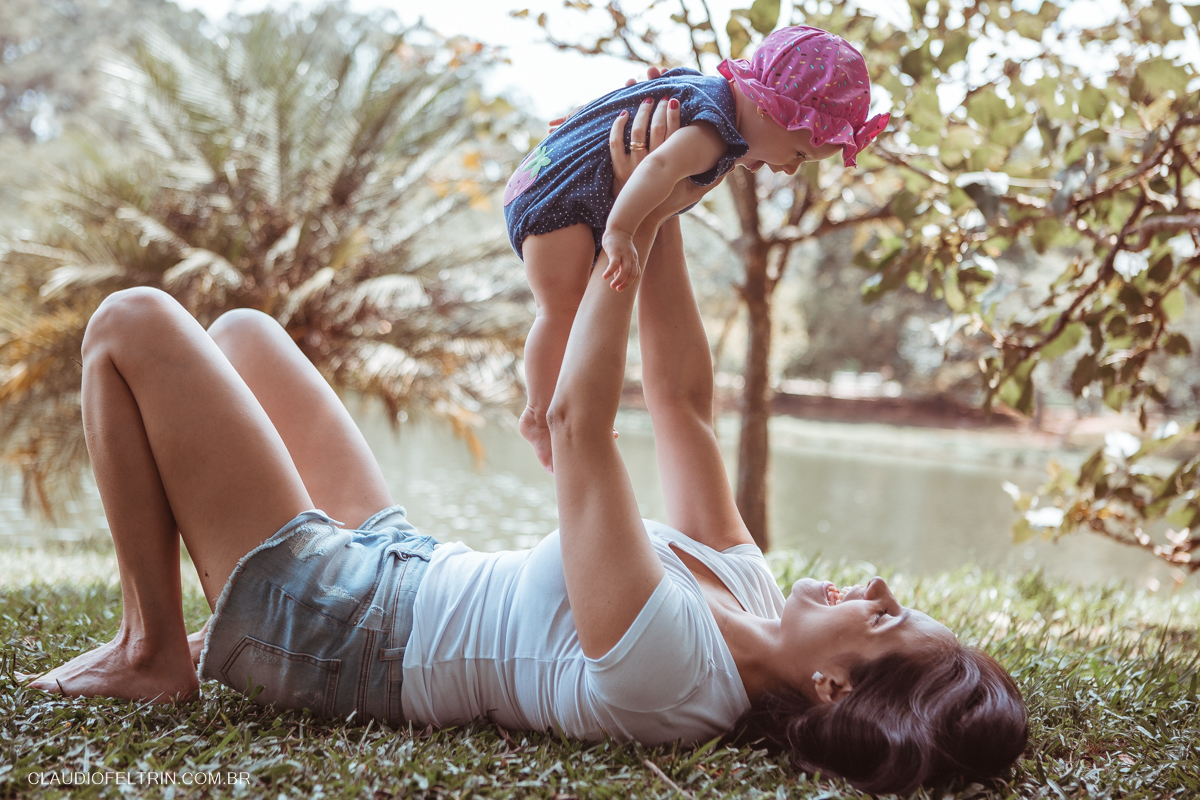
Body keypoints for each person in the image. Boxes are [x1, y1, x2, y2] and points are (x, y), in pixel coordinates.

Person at [19, 96, 1025, 796]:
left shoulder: (675, 680)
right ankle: (198, 625)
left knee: (132, 320)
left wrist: (621, 231)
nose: (883, 588)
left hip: (343, 634)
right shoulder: (752, 593)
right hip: (401, 564)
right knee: (243, 335)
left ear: (835, 688)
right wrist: (662, 195)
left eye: (891, 624)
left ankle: (154, 647)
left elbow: (586, 428)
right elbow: (677, 398)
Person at [508, 25, 889, 472]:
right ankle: (538, 413)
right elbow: (659, 165)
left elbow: (636, 105)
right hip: (556, 201)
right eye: (799, 154)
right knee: (559, 310)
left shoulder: (703, 90)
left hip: (543, 178)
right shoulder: (714, 132)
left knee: (567, 311)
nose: (787, 171)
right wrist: (621, 231)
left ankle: (563, 409)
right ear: (769, 108)